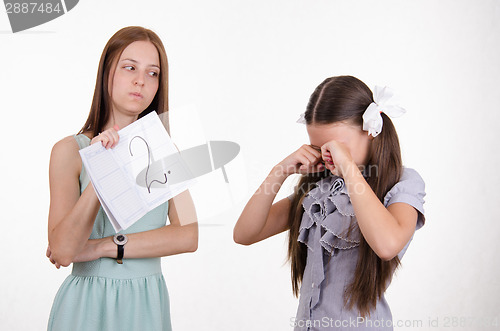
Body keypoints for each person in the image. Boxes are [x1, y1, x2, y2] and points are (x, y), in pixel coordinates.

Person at [234, 76, 425, 330]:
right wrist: (279, 171)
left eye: (336, 147)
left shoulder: (403, 182)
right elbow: (245, 233)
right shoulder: (319, 190)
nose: (328, 156)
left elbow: (387, 245)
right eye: (319, 147)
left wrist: (348, 167)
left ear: (371, 131)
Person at [46, 26, 198, 331]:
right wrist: (101, 167)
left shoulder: (166, 151)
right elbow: (62, 250)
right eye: (129, 68)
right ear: (107, 74)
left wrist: (102, 247)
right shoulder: (69, 151)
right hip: (85, 306)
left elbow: (188, 236)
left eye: (153, 73)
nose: (141, 80)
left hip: (146, 304)